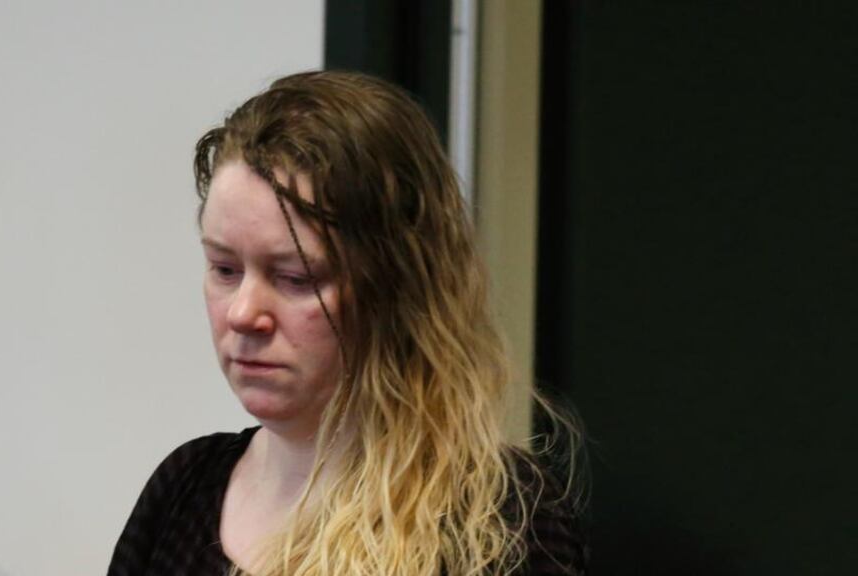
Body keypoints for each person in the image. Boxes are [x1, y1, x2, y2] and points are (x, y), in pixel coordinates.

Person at [108, 70, 587, 576]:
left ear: (396, 287)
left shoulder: (499, 519)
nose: (244, 313)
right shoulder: (185, 488)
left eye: (295, 277)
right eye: (225, 269)